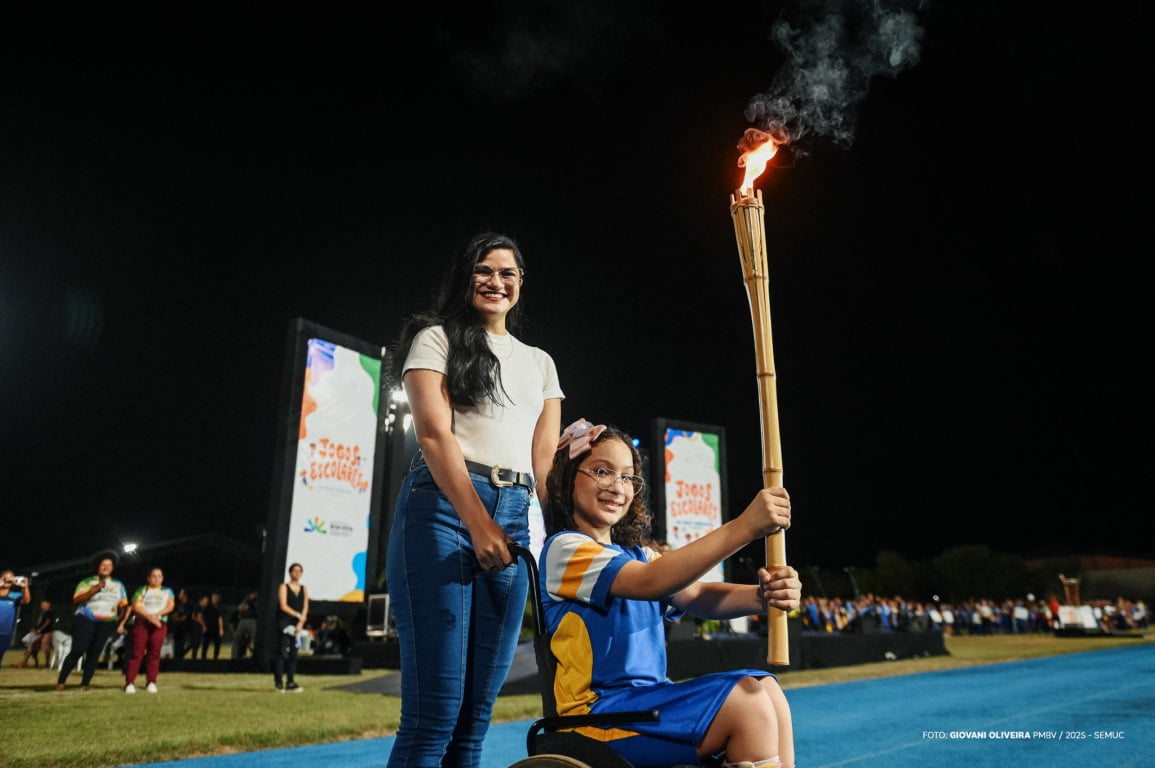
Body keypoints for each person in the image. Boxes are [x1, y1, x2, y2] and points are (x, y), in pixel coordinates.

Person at [385, 231, 563, 767]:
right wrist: (479, 523)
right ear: (466, 277)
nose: (495, 281)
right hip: (441, 512)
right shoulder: (435, 339)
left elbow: (546, 464)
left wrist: (570, 538)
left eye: (507, 273)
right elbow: (436, 437)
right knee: (435, 714)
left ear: (521, 284)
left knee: (473, 721)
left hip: (516, 514)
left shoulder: (540, 362)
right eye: (484, 270)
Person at [540, 419, 801, 768]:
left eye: (628, 477)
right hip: (597, 716)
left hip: (645, 706)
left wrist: (763, 596)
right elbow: (653, 581)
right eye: (602, 471)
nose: (618, 486)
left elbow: (696, 595)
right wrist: (745, 527)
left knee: (767, 690)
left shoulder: (637, 554)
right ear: (567, 477)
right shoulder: (565, 550)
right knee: (748, 704)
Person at [55, 551, 129, 691]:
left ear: (112, 568)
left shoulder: (118, 585)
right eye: (103, 565)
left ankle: (84, 685)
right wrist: (95, 589)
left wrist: (120, 619)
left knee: (94, 653)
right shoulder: (87, 581)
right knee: (78, 650)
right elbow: (77, 599)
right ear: (98, 567)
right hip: (85, 619)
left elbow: (124, 604)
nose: (106, 567)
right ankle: (61, 682)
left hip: (106, 622)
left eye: (109, 565)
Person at [122, 567, 175, 693]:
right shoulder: (142, 590)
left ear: (162, 578)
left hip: (159, 623)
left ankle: (151, 681)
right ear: (149, 578)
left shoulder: (167, 591)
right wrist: (150, 617)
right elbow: (136, 606)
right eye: (154, 576)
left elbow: (170, 606)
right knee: (137, 652)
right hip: (142, 623)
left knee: (154, 653)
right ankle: (130, 683)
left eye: (159, 576)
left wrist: (157, 616)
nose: (156, 579)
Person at [274, 563, 309, 692]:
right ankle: (278, 683)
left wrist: (301, 621)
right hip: (284, 622)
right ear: (290, 572)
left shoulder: (304, 588)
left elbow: (305, 605)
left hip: (297, 624)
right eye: (295, 571)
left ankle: (290, 681)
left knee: (294, 654)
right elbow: (283, 606)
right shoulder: (284, 587)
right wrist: (297, 615)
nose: (297, 573)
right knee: (283, 652)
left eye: (299, 571)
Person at [0, 570, 32, 666]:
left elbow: (26, 601)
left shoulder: (15, 595)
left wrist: (25, 587)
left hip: (5, 633)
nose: (8, 581)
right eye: (5, 578)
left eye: (10, 578)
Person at [14, 598, 54, 668]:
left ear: (48, 604)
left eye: (43, 604)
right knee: (33, 646)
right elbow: (40, 623)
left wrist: (39, 630)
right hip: (40, 632)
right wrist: (35, 629)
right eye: (41, 604)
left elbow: (47, 622)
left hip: (46, 633)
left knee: (45, 648)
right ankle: (24, 662)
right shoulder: (43, 613)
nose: (42, 606)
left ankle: (47, 663)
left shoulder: (49, 612)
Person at [232, 589, 259, 660]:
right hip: (245, 620)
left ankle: (255, 657)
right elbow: (240, 609)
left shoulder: (255, 601)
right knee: (239, 639)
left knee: (253, 640)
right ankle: (236, 657)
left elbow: (242, 608)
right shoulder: (247, 600)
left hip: (252, 620)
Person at [169, 588, 195, 659]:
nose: (179, 595)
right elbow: (174, 615)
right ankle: (176, 659)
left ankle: (180, 659)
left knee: (183, 645)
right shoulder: (180, 604)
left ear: (185, 595)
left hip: (185, 628)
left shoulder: (189, 605)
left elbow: (184, 618)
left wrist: (176, 618)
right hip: (177, 628)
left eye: (181, 593)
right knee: (176, 646)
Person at [200, 591, 223, 660]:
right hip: (208, 629)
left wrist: (221, 629)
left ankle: (215, 658)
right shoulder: (208, 606)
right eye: (213, 597)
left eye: (216, 598)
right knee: (205, 645)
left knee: (217, 645)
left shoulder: (219, 607)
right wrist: (203, 626)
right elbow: (200, 615)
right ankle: (203, 659)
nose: (214, 599)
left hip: (216, 629)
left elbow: (220, 618)